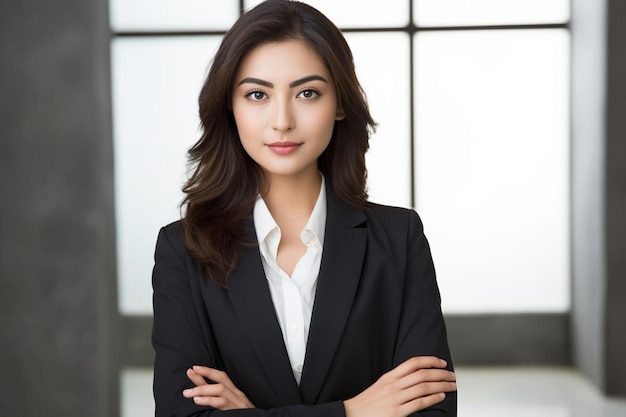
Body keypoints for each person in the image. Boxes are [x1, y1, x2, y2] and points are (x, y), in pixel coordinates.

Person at [151, 0, 457, 416]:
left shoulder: (399, 238)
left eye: (307, 93)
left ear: (341, 104)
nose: (282, 120)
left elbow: (431, 409)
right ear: (230, 106)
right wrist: (354, 411)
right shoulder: (182, 250)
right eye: (257, 94)